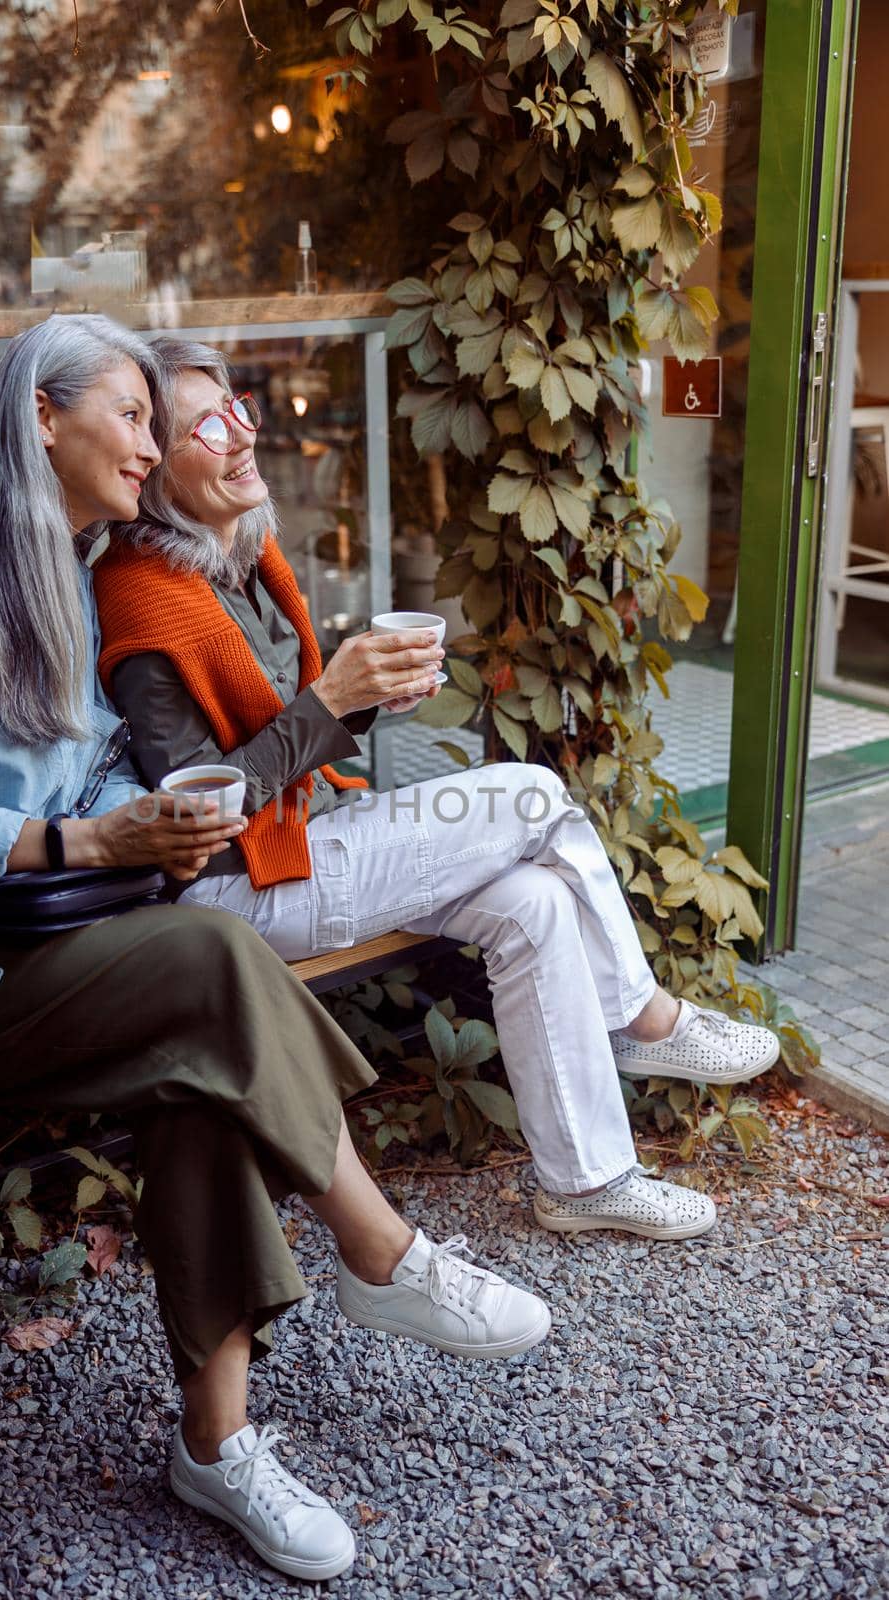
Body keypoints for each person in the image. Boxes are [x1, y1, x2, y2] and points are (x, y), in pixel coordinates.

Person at [0, 314, 551, 1585]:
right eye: (132, 415)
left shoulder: (82, 566)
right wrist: (96, 842)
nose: (153, 446)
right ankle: (381, 1250)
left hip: (58, 947)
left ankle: (215, 1450)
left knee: (198, 1058)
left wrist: (172, 814)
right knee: (212, 963)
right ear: (41, 419)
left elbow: (108, 765)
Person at [94, 337, 781, 1246]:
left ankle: (586, 1183)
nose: (242, 436)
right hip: (233, 895)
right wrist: (333, 697)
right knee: (532, 793)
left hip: (305, 845)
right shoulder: (142, 598)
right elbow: (201, 817)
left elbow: (294, 738)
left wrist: (361, 702)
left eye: (240, 410)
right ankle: (644, 1016)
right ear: (153, 470)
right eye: (206, 425)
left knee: (534, 901)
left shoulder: (246, 564)